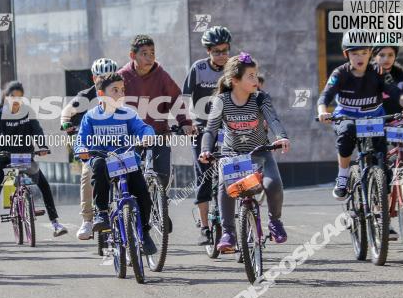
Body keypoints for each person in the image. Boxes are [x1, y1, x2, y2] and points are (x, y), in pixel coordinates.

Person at [198, 53, 290, 252]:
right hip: (232, 154)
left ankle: (275, 222)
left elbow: (273, 120)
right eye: (250, 76)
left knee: (273, 183)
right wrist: (206, 150)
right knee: (225, 186)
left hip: (260, 152)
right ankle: (228, 232)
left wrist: (281, 137)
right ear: (235, 81)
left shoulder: (261, 98)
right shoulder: (221, 100)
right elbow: (211, 130)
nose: (256, 80)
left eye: (256, 75)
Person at [317, 34, 403, 203]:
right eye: (354, 53)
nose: (359, 57)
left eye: (363, 52)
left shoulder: (379, 71)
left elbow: (397, 93)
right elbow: (325, 96)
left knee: (382, 161)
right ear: (347, 55)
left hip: (373, 117)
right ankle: (342, 176)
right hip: (347, 117)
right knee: (347, 132)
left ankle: (381, 211)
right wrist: (322, 111)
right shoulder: (340, 73)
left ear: (370, 53)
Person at [74, 72, 158, 254]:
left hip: (126, 161)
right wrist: (81, 149)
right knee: (97, 166)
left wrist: (147, 137)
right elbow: (81, 140)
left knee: (143, 194)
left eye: (122, 90)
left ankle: (144, 231)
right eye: (115, 90)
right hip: (102, 160)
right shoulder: (91, 116)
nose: (120, 94)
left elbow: (144, 128)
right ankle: (101, 212)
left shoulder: (128, 113)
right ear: (101, 94)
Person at [0, 81, 67, 237]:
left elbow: (37, 130)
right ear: (6, 97)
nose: (15, 100)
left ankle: (55, 223)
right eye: (12, 96)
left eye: (19, 97)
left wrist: (42, 146)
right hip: (7, 160)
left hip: (25, 158)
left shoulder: (28, 112)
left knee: (44, 185)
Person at [118, 35, 194, 191]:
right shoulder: (122, 77)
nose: (149, 57)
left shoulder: (162, 75)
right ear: (133, 56)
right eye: (144, 53)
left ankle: (160, 210)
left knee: (163, 176)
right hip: (130, 136)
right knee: (130, 177)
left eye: (152, 53)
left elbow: (175, 100)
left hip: (158, 134)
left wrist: (185, 123)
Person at [61, 58, 119, 240]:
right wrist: (66, 123)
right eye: (102, 76)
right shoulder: (86, 96)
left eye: (110, 76)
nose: (106, 79)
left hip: (118, 144)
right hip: (94, 146)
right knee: (88, 173)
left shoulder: (122, 93)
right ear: (94, 78)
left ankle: (137, 214)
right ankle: (87, 219)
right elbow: (67, 112)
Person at [183, 26, 231, 244]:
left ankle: (233, 223)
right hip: (202, 127)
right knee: (204, 177)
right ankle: (204, 227)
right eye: (217, 51)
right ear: (208, 52)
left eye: (225, 50)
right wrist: (188, 122)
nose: (221, 55)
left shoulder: (233, 68)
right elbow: (185, 97)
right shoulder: (198, 68)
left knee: (232, 174)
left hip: (228, 126)